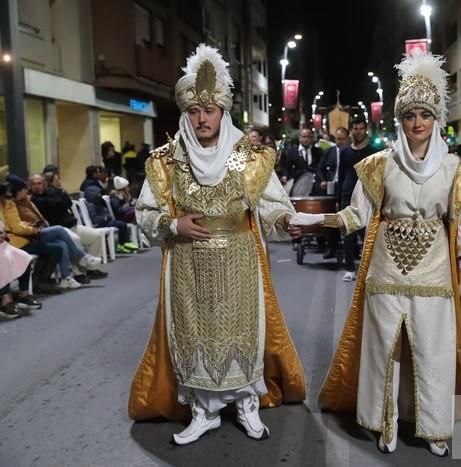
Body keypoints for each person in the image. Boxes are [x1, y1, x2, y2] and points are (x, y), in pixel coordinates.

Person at [291, 51, 461, 456]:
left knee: (433, 350)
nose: (418, 123)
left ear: (437, 118)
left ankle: (433, 426)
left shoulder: (457, 171)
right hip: (385, 271)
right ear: (400, 119)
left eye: (425, 114)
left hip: (435, 275)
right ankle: (384, 421)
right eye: (410, 115)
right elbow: (357, 214)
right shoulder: (378, 166)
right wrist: (312, 222)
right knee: (383, 350)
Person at [128, 44, 306, 445]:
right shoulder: (165, 160)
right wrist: (174, 224)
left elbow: (273, 205)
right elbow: (144, 213)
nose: (202, 118)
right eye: (193, 110)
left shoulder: (248, 156)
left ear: (223, 112)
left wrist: (285, 220)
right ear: (184, 114)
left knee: (244, 332)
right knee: (194, 335)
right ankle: (203, 411)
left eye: (209, 110)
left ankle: (246, 405)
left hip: (240, 260)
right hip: (187, 265)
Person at [336, 117, 373, 280]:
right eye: (355, 128)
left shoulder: (374, 151)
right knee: (348, 234)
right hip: (347, 196)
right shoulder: (345, 152)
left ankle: (370, 268)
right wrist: (338, 199)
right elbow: (341, 176)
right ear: (352, 130)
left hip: (369, 197)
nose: (358, 131)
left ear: (366, 130)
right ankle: (350, 269)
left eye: (361, 128)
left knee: (368, 235)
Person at [315, 127, 351, 259]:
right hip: (331, 187)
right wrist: (323, 180)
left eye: (342, 139)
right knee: (332, 218)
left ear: (348, 138)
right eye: (337, 139)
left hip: (347, 188)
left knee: (347, 219)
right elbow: (319, 168)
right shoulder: (329, 152)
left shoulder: (350, 152)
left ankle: (352, 250)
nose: (339, 141)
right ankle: (332, 248)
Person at [279, 127, 322, 193]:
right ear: (300, 138)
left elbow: (320, 167)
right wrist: (285, 176)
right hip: (298, 185)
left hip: (314, 186)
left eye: (308, 137)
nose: (306, 139)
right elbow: (287, 167)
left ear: (312, 138)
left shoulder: (318, 151)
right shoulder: (293, 151)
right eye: (304, 136)